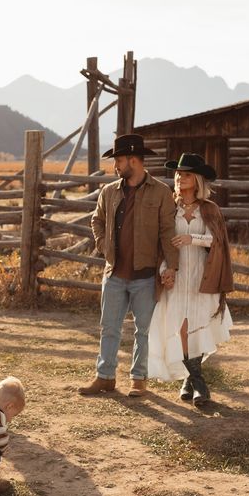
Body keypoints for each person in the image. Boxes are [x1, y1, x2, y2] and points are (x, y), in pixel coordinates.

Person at [78, 134, 179, 397]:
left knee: (143, 330)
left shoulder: (161, 192)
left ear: (133, 160)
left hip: (145, 274)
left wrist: (172, 266)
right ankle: (105, 377)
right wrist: (103, 245)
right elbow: (96, 221)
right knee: (109, 327)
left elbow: (168, 232)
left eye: (119, 161)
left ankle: (138, 379)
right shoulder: (109, 191)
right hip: (114, 274)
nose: (115, 167)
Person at [148, 153, 234, 406]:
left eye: (186, 174)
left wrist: (191, 239)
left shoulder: (209, 209)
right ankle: (199, 384)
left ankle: (191, 382)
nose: (180, 178)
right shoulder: (169, 208)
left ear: (196, 180)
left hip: (201, 275)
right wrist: (165, 269)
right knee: (181, 329)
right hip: (177, 274)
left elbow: (216, 241)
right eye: (178, 174)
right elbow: (162, 244)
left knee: (198, 328)